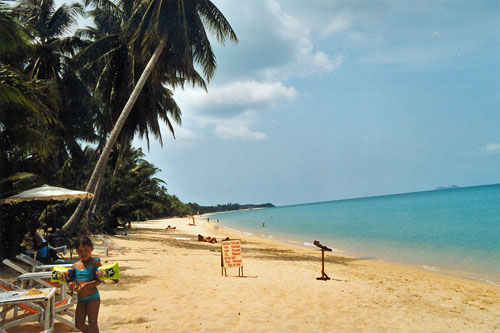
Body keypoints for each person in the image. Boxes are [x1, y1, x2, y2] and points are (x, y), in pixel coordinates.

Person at [68, 236, 102, 333]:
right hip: (81, 299)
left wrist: (87, 285)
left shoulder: (95, 262)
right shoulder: (75, 266)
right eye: (80, 251)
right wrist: (70, 285)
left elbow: (100, 280)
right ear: (76, 251)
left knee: (93, 323)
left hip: (93, 298)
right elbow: (71, 280)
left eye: (86, 250)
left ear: (92, 248)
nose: (83, 253)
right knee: (79, 325)